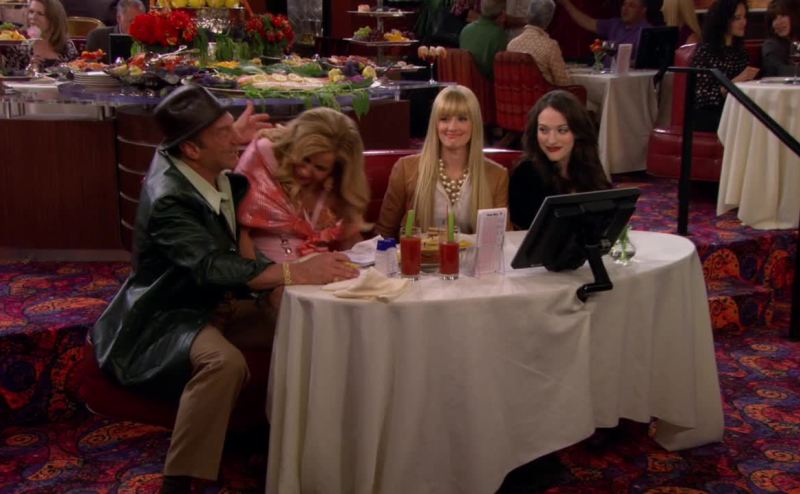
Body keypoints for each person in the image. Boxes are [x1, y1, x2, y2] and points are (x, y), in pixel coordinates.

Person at [90, 86, 358, 494]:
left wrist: (229, 135)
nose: (237, 137)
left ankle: (290, 446)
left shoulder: (198, 164)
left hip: (219, 303)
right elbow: (212, 267)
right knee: (224, 363)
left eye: (230, 125)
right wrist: (294, 272)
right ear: (192, 149)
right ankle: (181, 480)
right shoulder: (170, 200)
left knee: (312, 325)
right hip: (170, 314)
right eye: (222, 132)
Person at [234, 107, 370, 265]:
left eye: (319, 168)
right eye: (304, 158)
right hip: (267, 272)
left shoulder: (336, 185)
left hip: (321, 273)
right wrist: (265, 277)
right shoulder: (264, 156)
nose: (304, 171)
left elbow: (351, 239)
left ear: (335, 171)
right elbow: (240, 232)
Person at [376, 85, 509, 237]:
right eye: (444, 119)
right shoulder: (405, 169)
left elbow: (502, 239)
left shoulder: (497, 175)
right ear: (435, 124)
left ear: (475, 124)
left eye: (462, 119)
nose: (452, 127)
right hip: (419, 253)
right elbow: (383, 235)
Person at [509, 90, 611, 229]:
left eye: (562, 130)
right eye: (543, 130)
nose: (551, 140)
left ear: (578, 132)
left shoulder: (588, 164)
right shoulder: (526, 173)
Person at [690, 0, 758, 132]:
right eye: (737, 18)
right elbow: (701, 97)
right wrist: (734, 83)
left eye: (744, 17)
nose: (744, 22)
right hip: (709, 114)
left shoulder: (740, 52)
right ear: (723, 20)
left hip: (734, 110)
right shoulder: (705, 51)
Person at [556, 0, 652, 61]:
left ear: (643, 10)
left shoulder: (648, 32)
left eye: (631, 6)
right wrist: (566, 4)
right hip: (606, 75)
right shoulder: (614, 24)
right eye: (624, 5)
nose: (625, 9)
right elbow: (588, 22)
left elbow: (645, 64)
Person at [0, 0, 77, 73]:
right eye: (31, 12)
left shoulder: (67, 45)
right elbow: (9, 75)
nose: (33, 17)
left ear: (53, 19)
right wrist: (28, 70)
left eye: (40, 14)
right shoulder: (18, 44)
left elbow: (76, 74)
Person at [507, 0, 572, 86]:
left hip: (516, 93)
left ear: (528, 15)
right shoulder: (550, 46)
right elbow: (563, 83)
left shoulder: (511, 45)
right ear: (549, 19)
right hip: (542, 94)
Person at [459, 0, 508, 79]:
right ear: (502, 13)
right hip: (485, 83)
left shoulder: (465, 30)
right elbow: (499, 68)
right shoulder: (499, 35)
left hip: (465, 80)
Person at [761, 0, 800, 77]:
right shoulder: (771, 45)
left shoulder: (795, 41)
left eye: (783, 16)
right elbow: (780, 70)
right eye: (774, 18)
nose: (779, 22)